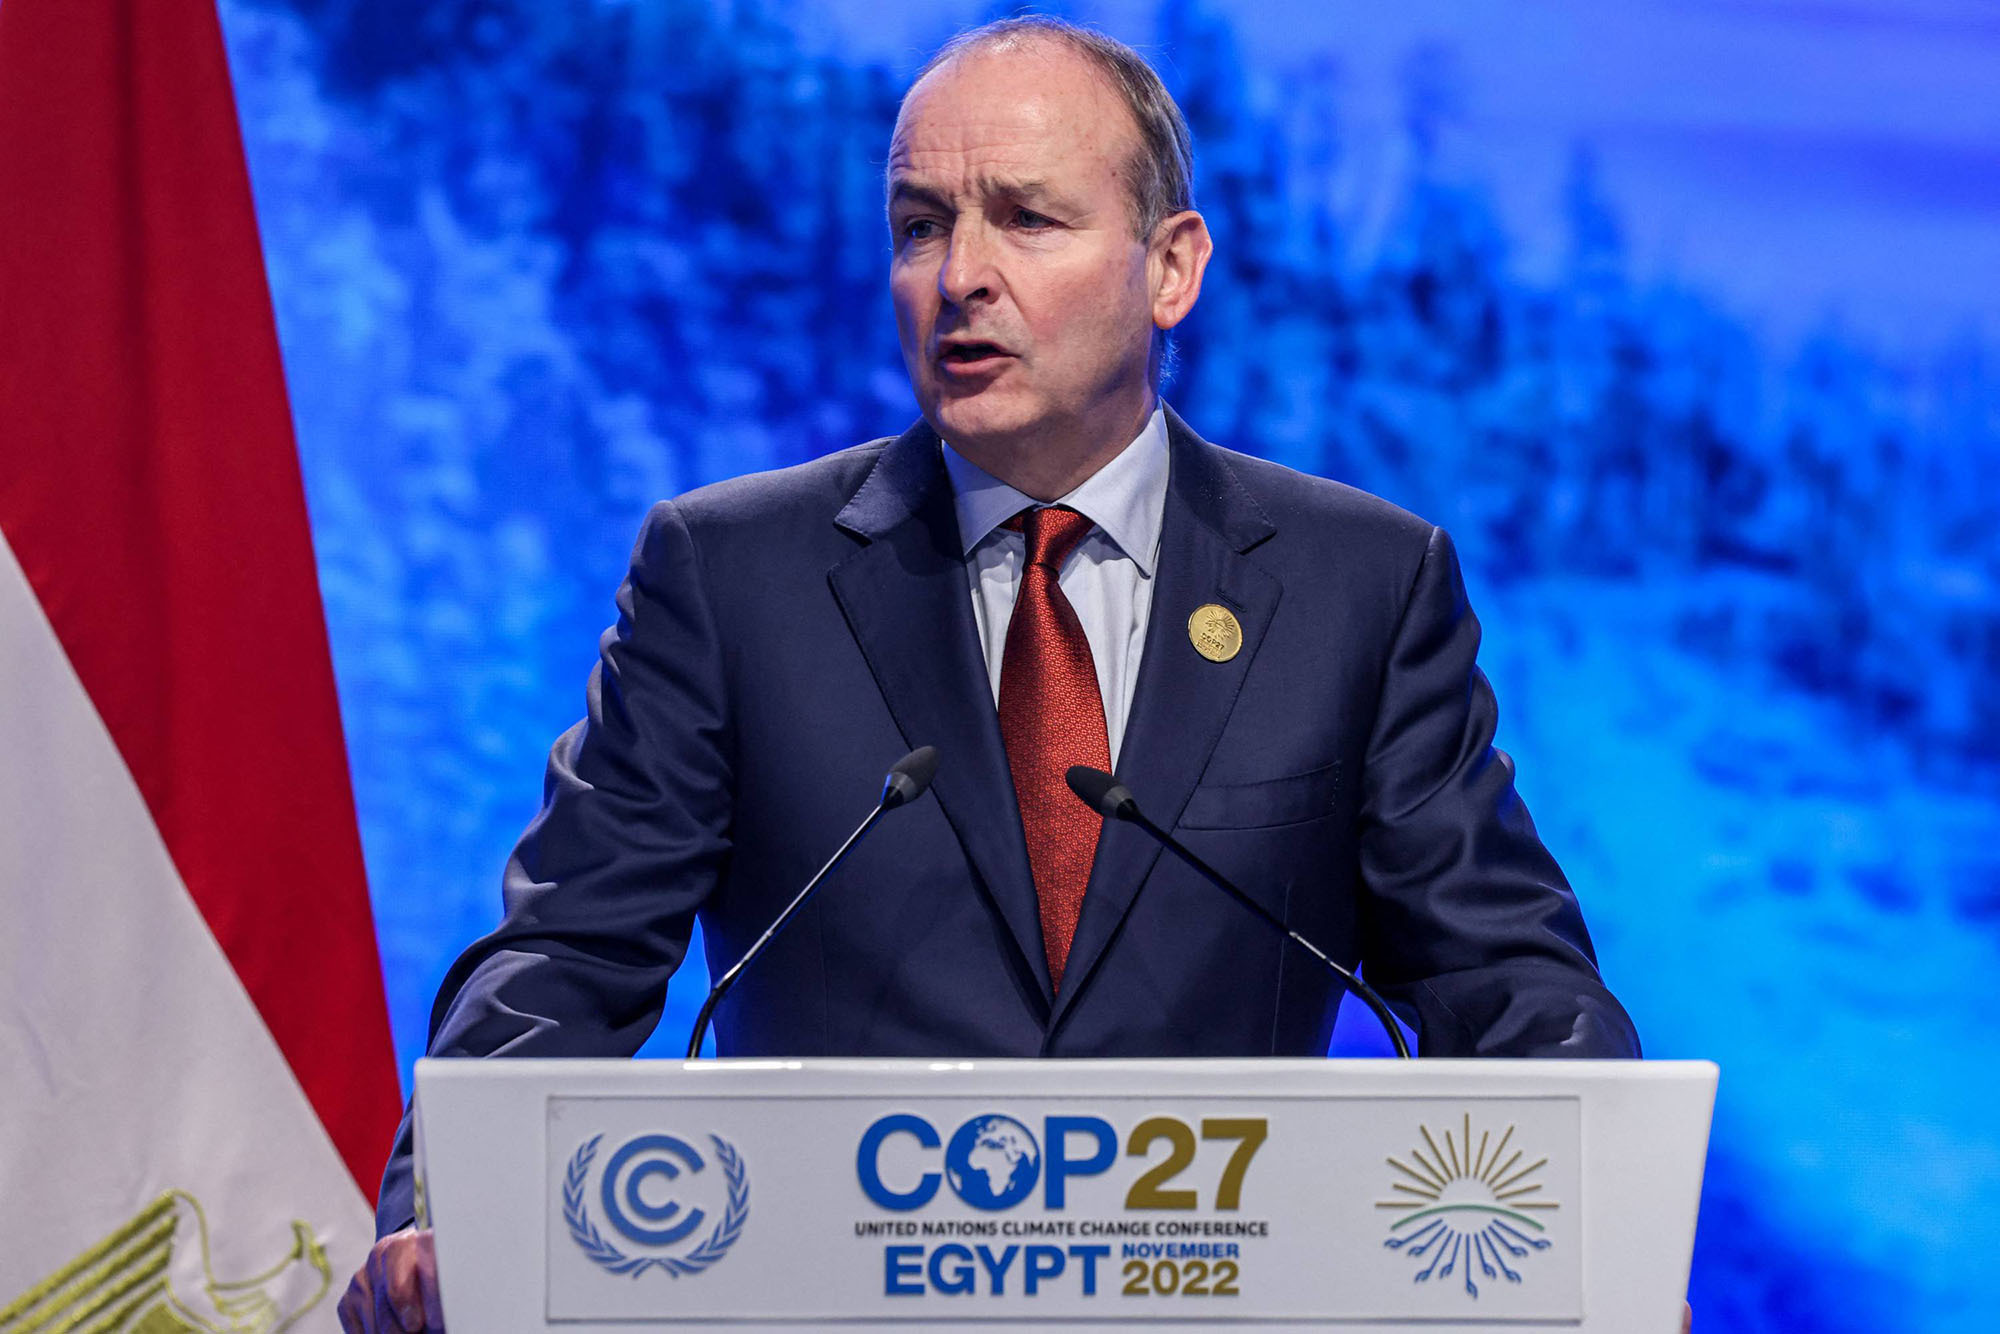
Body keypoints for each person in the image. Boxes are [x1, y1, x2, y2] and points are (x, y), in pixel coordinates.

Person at [338, 17, 1639, 1332]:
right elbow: (564, 950)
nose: (958, 274)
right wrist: (456, 1209)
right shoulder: (732, 575)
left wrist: (1608, 1232)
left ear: (1170, 267)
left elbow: (1505, 981)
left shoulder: (1358, 583)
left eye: (1025, 219)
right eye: (918, 225)